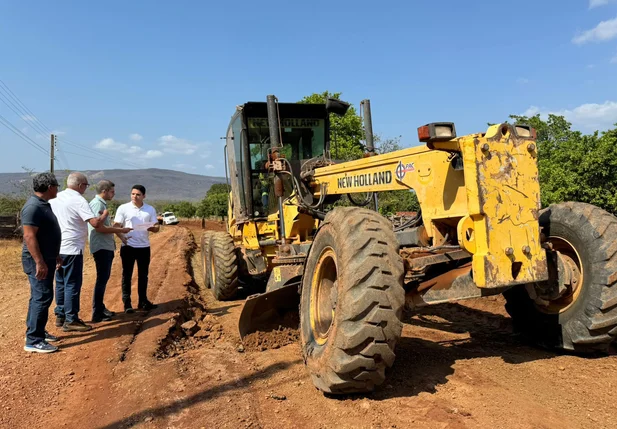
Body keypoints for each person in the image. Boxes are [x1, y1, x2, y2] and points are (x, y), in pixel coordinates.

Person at [50, 172, 108, 332]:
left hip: (57, 247)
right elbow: (95, 223)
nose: (85, 189)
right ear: (81, 185)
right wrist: (104, 215)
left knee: (60, 282)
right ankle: (71, 319)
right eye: (86, 186)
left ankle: (60, 315)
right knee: (72, 284)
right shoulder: (78, 200)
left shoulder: (56, 197)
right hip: (72, 248)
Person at [21, 172, 62, 353]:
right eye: (56, 186)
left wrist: (55, 255)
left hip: (47, 257)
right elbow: (29, 236)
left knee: (39, 296)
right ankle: (34, 340)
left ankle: (37, 331)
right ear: (49, 187)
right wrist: (39, 262)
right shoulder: (33, 207)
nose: (57, 189)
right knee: (42, 296)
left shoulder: (43, 205)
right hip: (37, 261)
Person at [88, 180, 132, 323]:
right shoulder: (98, 204)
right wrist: (120, 230)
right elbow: (98, 228)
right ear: (105, 191)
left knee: (104, 279)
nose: (114, 194)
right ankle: (97, 313)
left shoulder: (101, 204)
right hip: (101, 246)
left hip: (105, 245)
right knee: (102, 279)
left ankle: (100, 309)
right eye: (112, 191)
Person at [113, 184, 159, 313]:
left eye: (138, 194)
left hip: (144, 247)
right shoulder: (123, 208)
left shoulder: (150, 209)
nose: (135, 196)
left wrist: (151, 228)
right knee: (127, 275)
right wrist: (122, 237)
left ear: (144, 196)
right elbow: (116, 225)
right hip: (128, 247)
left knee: (143, 275)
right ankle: (127, 303)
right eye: (133, 194)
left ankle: (143, 301)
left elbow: (156, 227)